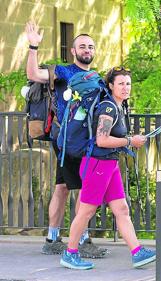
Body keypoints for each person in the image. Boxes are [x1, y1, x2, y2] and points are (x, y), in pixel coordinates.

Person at [60, 67, 156, 270]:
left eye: (128, 83)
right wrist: (130, 140)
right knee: (86, 211)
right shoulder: (109, 107)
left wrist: (128, 140)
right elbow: (101, 140)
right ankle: (70, 253)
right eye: (120, 83)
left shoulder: (118, 106)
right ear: (111, 86)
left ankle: (137, 252)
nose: (125, 87)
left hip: (109, 165)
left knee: (121, 209)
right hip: (98, 164)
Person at [25, 21, 107, 258]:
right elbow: (32, 74)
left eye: (90, 46)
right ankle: (82, 240)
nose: (87, 50)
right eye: (82, 46)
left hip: (84, 140)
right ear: (73, 51)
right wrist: (33, 46)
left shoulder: (96, 77)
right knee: (83, 189)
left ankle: (52, 238)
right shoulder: (62, 71)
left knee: (62, 188)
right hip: (69, 141)